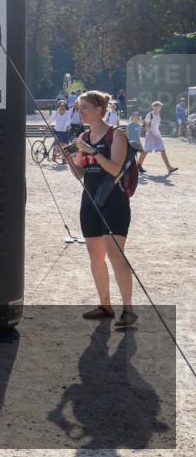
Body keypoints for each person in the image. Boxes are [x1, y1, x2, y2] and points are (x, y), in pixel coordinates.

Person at [63, 90, 135, 327]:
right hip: (90, 200)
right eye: (78, 107)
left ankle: (128, 309)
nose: (79, 111)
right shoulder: (83, 136)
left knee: (115, 255)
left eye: (84, 107)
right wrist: (70, 159)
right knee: (95, 256)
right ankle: (105, 304)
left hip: (114, 201)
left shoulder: (116, 135)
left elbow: (115, 169)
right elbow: (80, 175)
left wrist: (92, 151)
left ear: (98, 109)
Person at [137, 101, 178, 175]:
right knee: (145, 151)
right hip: (150, 135)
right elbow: (147, 127)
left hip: (158, 135)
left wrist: (157, 135)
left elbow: (156, 126)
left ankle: (169, 167)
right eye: (155, 106)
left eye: (158, 106)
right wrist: (153, 135)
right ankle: (138, 165)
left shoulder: (158, 114)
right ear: (153, 107)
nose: (157, 107)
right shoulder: (150, 114)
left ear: (160, 107)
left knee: (163, 151)